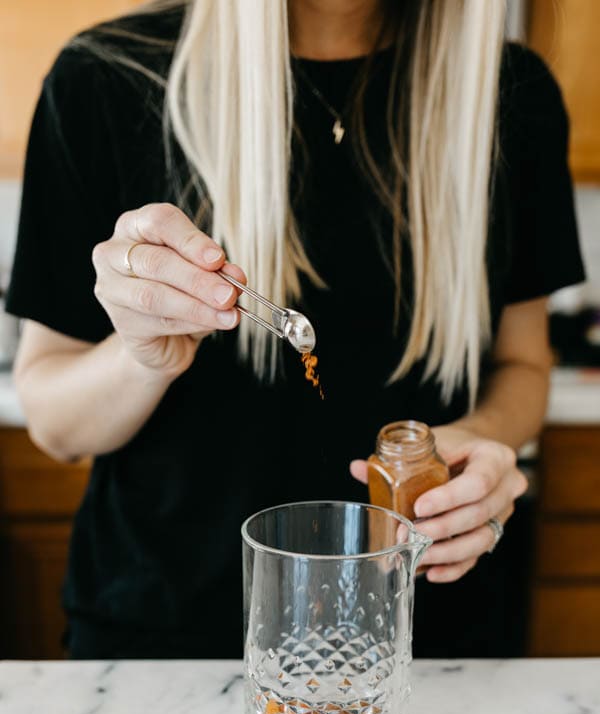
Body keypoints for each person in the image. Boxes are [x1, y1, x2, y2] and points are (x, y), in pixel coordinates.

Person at [7, 0, 584, 660]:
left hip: (426, 641)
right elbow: (54, 422)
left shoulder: (513, 94)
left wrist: (478, 445)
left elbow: (524, 366)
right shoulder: (102, 81)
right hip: (169, 644)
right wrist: (145, 357)